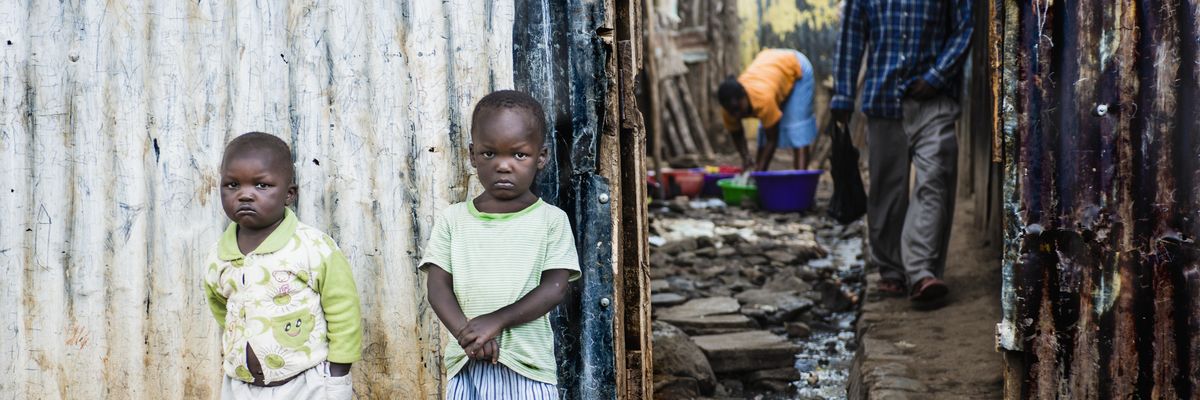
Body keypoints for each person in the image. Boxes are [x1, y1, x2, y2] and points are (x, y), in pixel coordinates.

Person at [420, 90, 581, 399]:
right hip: (468, 366)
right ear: (472, 154)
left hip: (528, 368)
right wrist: (468, 335)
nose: (503, 166)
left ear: (541, 156)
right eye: (489, 153)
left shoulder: (551, 220)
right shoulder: (453, 220)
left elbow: (555, 289)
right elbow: (437, 288)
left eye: (519, 154)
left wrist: (494, 322)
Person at [831, 0, 972, 306]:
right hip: (883, 101)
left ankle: (922, 271)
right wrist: (842, 95)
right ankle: (892, 270)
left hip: (934, 101)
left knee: (935, 178)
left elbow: (964, 29)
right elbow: (851, 37)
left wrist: (936, 75)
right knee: (887, 190)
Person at [204, 132, 362, 399]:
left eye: (261, 186)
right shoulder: (219, 256)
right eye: (232, 185)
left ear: (289, 194)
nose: (245, 195)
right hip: (239, 385)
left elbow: (343, 309)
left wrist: (338, 372)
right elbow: (223, 308)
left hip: (307, 383)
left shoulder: (313, 247)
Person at [717, 48, 817, 171]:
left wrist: (759, 171)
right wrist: (746, 158)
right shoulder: (728, 109)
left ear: (744, 96)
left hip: (795, 65)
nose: (736, 115)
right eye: (732, 111)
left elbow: (771, 140)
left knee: (797, 129)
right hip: (770, 65)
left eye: (737, 109)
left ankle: (801, 181)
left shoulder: (763, 99)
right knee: (763, 134)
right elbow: (737, 134)